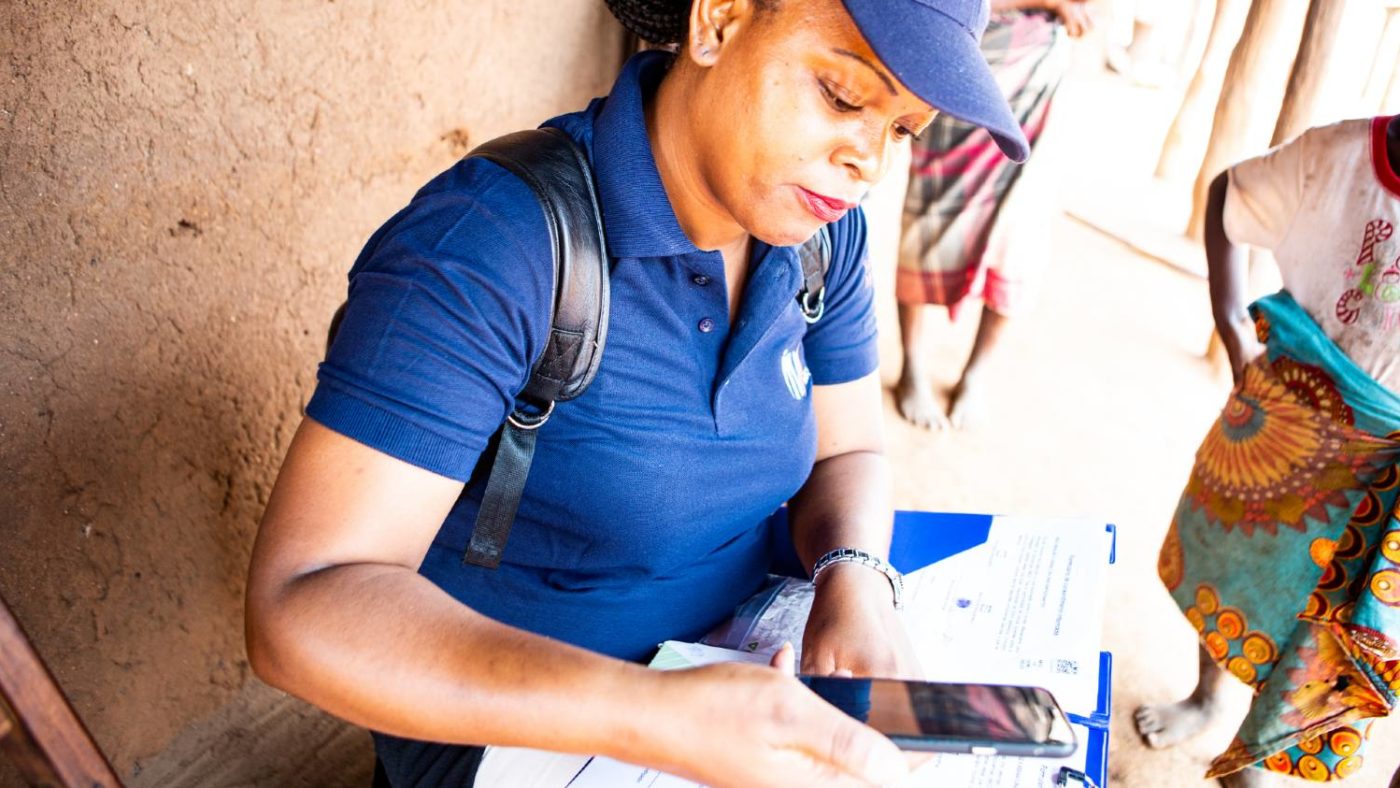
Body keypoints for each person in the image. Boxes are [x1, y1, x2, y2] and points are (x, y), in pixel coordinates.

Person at [242, 0, 1031, 786]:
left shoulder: (820, 237)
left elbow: (849, 447)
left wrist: (854, 575)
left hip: (745, 664)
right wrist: (658, 714)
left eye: (902, 129)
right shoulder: (497, 244)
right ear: (719, 20)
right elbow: (302, 606)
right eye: (842, 96)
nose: (869, 162)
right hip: (521, 732)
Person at [1134, 115, 1400, 786]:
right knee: (1233, 562)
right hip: (1289, 410)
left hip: (1386, 452)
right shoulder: (1340, 154)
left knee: (1320, 610)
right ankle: (1205, 698)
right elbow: (1232, 192)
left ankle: (1253, 754)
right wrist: (1230, 324)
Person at [892, 0, 1088, 431]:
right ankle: (912, 367)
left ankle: (975, 373)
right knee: (929, 223)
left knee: (1018, 238)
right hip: (964, 67)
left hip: (1035, 78)